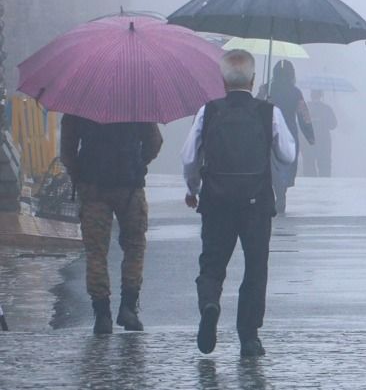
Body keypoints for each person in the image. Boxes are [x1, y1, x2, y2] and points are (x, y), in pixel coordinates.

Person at [181, 49, 296, 357]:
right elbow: (287, 155)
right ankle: (249, 336)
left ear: (222, 81)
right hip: (256, 202)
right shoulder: (267, 111)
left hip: (216, 200)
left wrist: (193, 189)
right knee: (255, 267)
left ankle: (210, 303)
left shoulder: (208, 111)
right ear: (253, 79)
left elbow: (190, 157)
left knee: (212, 263)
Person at [59, 113, 163, 334]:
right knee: (134, 246)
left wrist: (78, 172)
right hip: (130, 189)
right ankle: (128, 307)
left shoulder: (80, 104)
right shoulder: (136, 102)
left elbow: (67, 149)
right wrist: (138, 163)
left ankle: (102, 314)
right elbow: (155, 142)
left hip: (93, 188)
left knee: (96, 252)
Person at [257, 60, 315, 215]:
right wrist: (310, 135)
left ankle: (275, 192)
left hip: (268, 132)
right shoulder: (295, 92)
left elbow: (255, 108)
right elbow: (303, 115)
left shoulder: (266, 89)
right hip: (289, 133)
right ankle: (281, 193)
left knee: (270, 164)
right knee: (285, 164)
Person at [301, 89, 337, 177]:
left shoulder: (305, 108)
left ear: (311, 95)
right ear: (321, 95)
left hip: (308, 141)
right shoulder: (326, 108)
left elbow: (300, 124)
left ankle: (310, 184)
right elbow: (333, 125)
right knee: (324, 166)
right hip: (323, 142)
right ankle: (324, 184)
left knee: (308, 165)